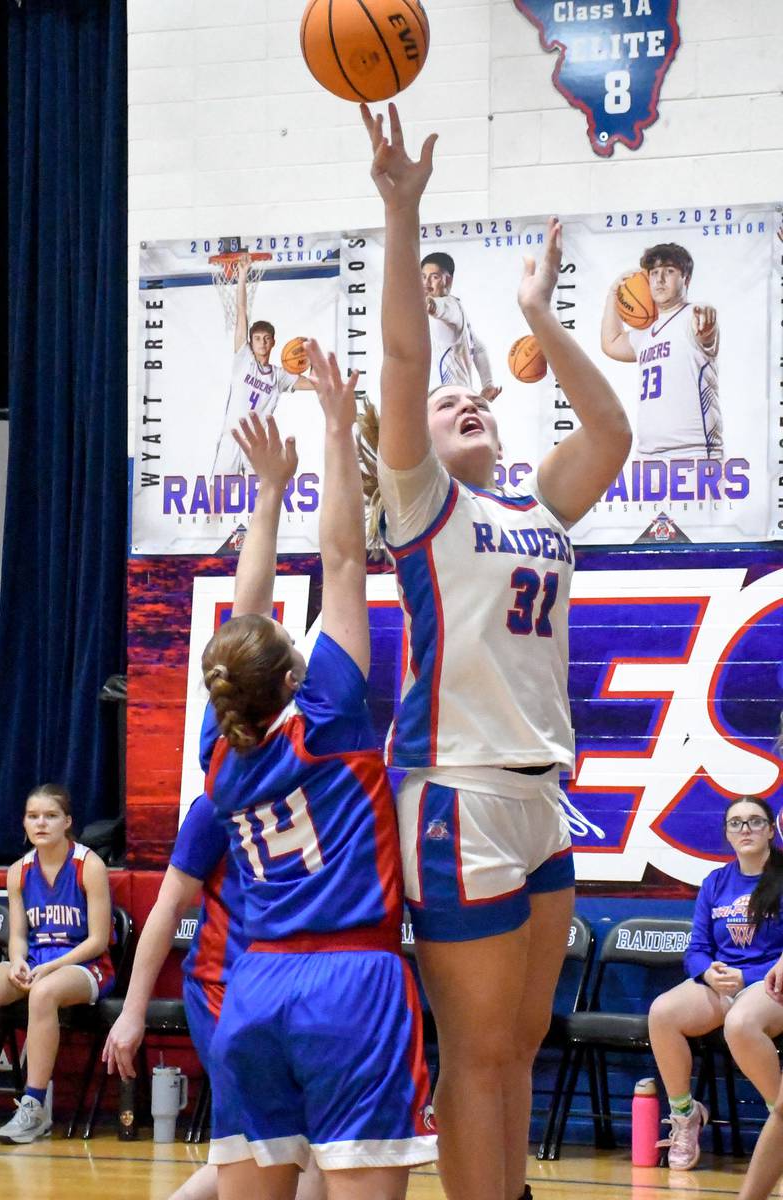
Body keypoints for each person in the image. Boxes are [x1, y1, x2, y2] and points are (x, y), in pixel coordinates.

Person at [358, 103, 631, 1200]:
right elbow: (403, 353)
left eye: (476, 397)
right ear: (414, 443)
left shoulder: (538, 506)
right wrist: (402, 211)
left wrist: (538, 315)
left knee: (517, 1049)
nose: (463, 399)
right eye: (446, 402)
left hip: (539, 797)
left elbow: (610, 433)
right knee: (474, 1058)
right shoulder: (421, 506)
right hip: (456, 793)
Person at [200, 338, 436, 1200]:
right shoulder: (329, 719)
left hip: (254, 985)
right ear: (294, 677)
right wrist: (338, 430)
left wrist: (267, 493)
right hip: (351, 982)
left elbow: (244, 614)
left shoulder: (219, 748)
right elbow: (342, 560)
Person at [103, 790, 325, 1200]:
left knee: (307, 1141)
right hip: (222, 990)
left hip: (293, 992)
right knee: (273, 1144)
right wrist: (133, 1011)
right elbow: (168, 906)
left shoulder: (325, 796)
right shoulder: (215, 806)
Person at [648, 796, 783, 1172]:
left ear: (770, 831)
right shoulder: (716, 882)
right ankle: (685, 1115)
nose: (746, 829)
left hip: (771, 983)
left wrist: (749, 977)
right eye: (736, 823)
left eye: (755, 821)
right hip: (722, 984)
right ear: (727, 833)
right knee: (662, 1013)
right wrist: (708, 973)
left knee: (740, 1024)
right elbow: (696, 950)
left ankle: (780, 1119)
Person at [0, 783, 114, 1144]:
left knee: (42, 992)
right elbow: (18, 935)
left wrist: (53, 968)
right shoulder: (18, 871)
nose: (41, 823)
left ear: (67, 821)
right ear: (24, 823)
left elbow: (98, 940)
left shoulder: (89, 865)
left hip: (86, 965)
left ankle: (34, 1108)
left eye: (51, 816)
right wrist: (17, 961)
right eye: (33, 816)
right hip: (37, 961)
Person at [601, 242, 722, 459]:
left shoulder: (692, 317)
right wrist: (613, 294)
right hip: (649, 454)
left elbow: (705, 330)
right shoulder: (645, 333)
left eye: (669, 271)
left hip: (694, 453)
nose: (660, 279)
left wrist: (707, 326)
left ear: (686, 279)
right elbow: (611, 343)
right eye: (654, 273)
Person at [210, 254, 315, 479]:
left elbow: (315, 384)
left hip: (256, 446)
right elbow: (241, 312)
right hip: (232, 438)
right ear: (250, 342)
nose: (262, 343)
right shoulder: (244, 359)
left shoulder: (279, 376)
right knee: (217, 498)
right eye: (257, 338)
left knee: (259, 499)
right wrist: (242, 275)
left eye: (266, 339)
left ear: (273, 342)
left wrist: (313, 358)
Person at [421, 250, 501, 400]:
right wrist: (488, 384)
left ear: (448, 281)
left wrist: (431, 305)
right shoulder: (458, 307)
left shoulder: (449, 306)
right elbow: (479, 349)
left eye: (434, 277)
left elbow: (441, 307)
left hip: (449, 401)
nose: (426, 283)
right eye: (423, 277)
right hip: (460, 399)